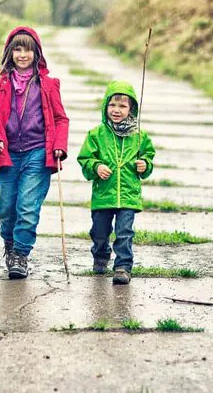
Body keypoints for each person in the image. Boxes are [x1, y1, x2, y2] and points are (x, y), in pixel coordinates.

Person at [0, 26, 69, 279]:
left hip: (38, 153)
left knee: (27, 207)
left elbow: (60, 118)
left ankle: (20, 254)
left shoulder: (48, 85)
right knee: (6, 207)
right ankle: (9, 245)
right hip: (8, 154)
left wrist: (59, 146)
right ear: (9, 53)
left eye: (28, 50)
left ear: (37, 53)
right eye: (17, 49)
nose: (22, 55)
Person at [76, 80, 155, 285]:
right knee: (100, 232)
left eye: (122, 106)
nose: (117, 110)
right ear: (105, 107)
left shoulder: (140, 136)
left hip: (128, 194)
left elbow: (149, 157)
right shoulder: (96, 134)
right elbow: (85, 159)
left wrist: (144, 164)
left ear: (131, 109)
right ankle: (101, 255)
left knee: (124, 232)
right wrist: (96, 166)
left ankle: (123, 266)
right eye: (112, 105)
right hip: (104, 194)